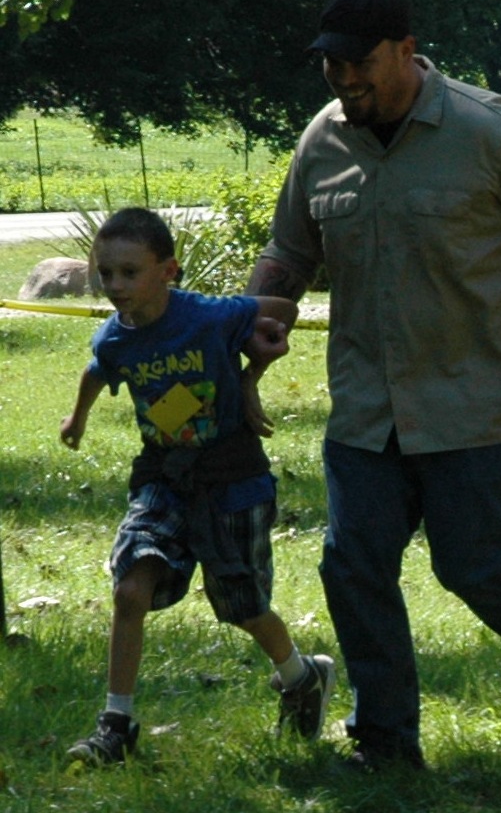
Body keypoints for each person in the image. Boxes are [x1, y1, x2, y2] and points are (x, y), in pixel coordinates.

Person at [243, 0, 501, 770]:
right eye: (332, 66)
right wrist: (254, 326)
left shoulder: (491, 131)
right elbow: (291, 249)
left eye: (361, 64)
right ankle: (384, 741)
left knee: (475, 567)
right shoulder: (323, 140)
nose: (346, 81)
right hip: (366, 404)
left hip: (479, 398)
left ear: (406, 52)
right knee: (352, 565)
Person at [60, 207, 335, 765]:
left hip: (233, 479)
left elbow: (280, 309)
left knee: (242, 607)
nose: (115, 286)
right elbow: (97, 368)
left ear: (169, 271)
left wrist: (249, 375)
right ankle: (115, 725)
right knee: (130, 587)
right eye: (105, 273)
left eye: (129, 273)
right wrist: (78, 418)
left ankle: (302, 677)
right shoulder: (116, 337)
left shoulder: (209, 317)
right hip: (163, 476)